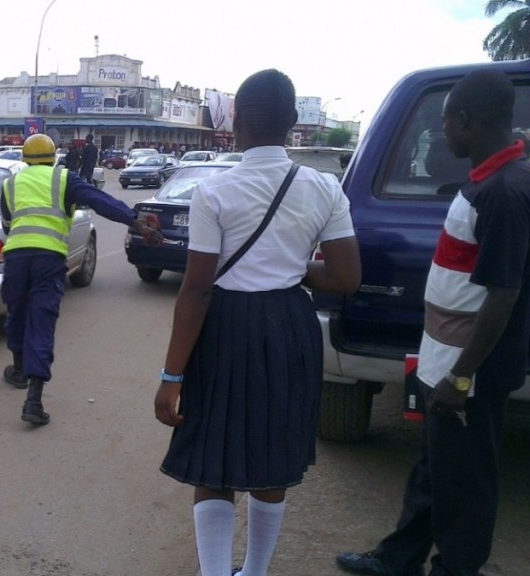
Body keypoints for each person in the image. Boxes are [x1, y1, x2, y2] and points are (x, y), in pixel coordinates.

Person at [153, 69, 361, 576]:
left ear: (236, 122)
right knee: (273, 457)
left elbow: (197, 289)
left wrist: (171, 377)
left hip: (224, 328)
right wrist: (291, 266)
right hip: (289, 326)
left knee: (213, 457)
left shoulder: (214, 191)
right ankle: (255, 571)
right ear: (291, 122)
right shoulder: (325, 189)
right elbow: (345, 277)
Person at [337, 69, 530, 576]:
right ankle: (398, 559)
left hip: (468, 371)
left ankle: (456, 569)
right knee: (436, 466)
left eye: (444, 123)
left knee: (466, 481)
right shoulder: (488, 179)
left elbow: (504, 294)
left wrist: (461, 377)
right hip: (445, 357)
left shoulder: (505, 191)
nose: (443, 133)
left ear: (465, 120)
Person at [0, 133, 164, 426]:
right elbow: (101, 201)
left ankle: (19, 369)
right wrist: (137, 223)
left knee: (16, 311)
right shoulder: (64, 179)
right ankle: (33, 400)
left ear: (24, 158)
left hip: (16, 256)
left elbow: (7, 223)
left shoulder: (10, 183)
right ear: (53, 157)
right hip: (48, 258)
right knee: (41, 320)